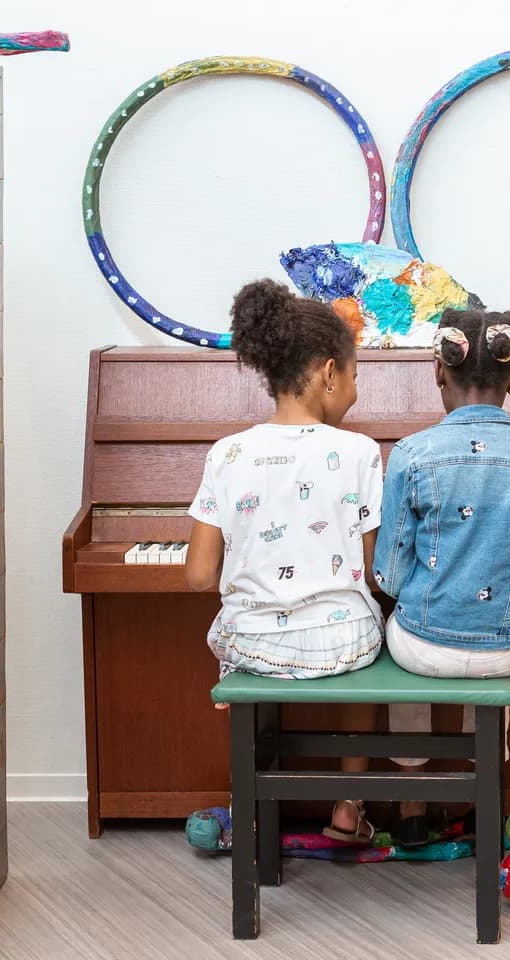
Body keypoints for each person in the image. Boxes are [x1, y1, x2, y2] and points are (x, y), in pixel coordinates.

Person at [184, 279, 383, 843]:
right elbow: (374, 572)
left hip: (253, 644)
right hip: (346, 646)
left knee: (235, 638)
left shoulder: (228, 453)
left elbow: (199, 575)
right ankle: (349, 805)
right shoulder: (360, 451)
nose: (354, 392)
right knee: (364, 628)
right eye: (354, 377)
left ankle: (244, 805)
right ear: (327, 373)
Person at [373, 309, 510, 845]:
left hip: (424, 645)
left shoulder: (411, 454)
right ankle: (480, 799)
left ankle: (413, 807)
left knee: (407, 633)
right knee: (487, 655)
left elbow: (390, 579)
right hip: (509, 647)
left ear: (438, 372)